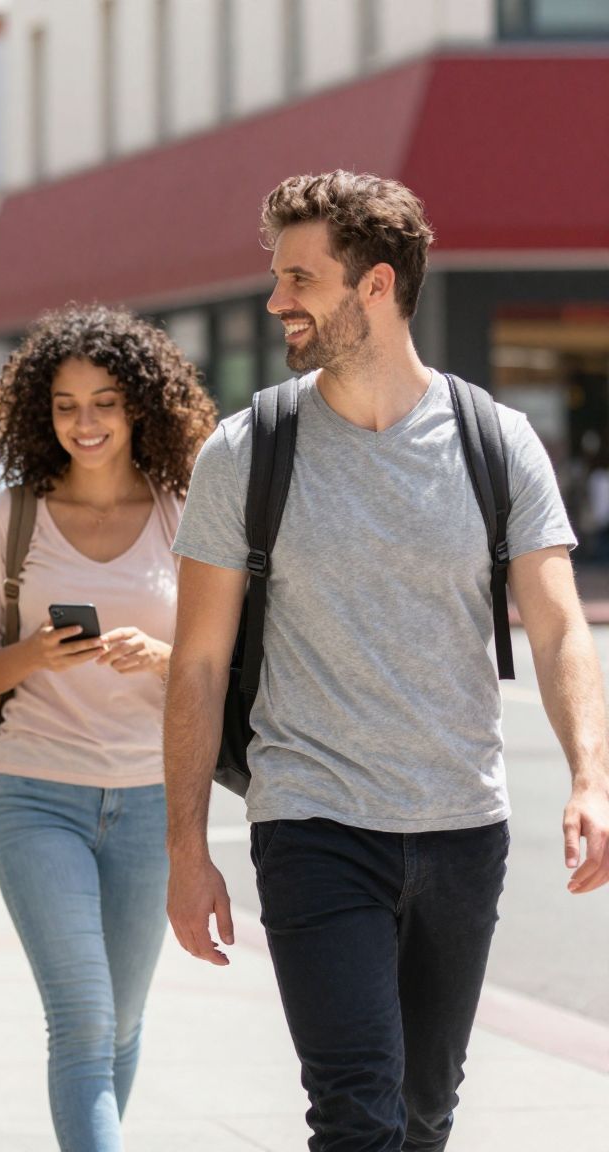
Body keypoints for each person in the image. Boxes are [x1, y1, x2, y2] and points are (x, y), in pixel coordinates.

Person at [165, 171, 609, 1150]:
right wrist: (184, 846)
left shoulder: (496, 442)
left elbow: (555, 625)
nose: (276, 300)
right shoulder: (245, 453)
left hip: (460, 825)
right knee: (355, 1110)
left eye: (298, 278)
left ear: (373, 284)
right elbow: (195, 665)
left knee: (420, 1110)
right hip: (311, 822)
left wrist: (590, 777)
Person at [0, 306, 216, 1151]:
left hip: (151, 799)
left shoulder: (187, 512)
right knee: (82, 1014)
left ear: (141, 405)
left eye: (104, 402)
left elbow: (229, 665)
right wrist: (31, 655)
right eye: (67, 406)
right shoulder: (11, 516)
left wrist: (163, 657)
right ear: (42, 413)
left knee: (123, 1022)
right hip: (39, 795)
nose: (86, 423)